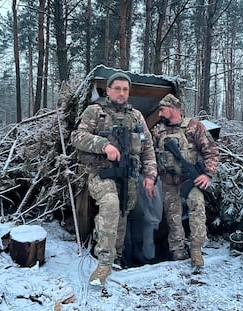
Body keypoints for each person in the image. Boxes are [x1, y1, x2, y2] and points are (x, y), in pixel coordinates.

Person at [70, 72, 157, 286]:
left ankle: (117, 258)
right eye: (117, 88)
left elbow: (148, 148)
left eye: (125, 89)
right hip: (102, 173)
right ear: (108, 90)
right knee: (110, 205)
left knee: (122, 214)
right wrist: (103, 145)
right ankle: (104, 263)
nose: (121, 93)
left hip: (128, 175)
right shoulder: (95, 112)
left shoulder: (136, 116)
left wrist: (150, 175)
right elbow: (77, 137)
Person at [151, 93, 219, 268]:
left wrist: (207, 174)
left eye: (162, 109)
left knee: (197, 210)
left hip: (191, 179)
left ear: (173, 108)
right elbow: (149, 155)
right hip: (168, 181)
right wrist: (150, 177)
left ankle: (196, 250)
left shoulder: (194, 127)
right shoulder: (158, 131)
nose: (160, 114)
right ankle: (177, 251)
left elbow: (211, 151)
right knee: (172, 216)